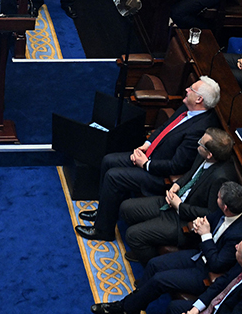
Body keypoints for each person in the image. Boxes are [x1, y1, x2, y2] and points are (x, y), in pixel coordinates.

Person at [76, 76, 221, 241]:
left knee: (114, 177)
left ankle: (103, 231)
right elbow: (164, 128)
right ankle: (105, 210)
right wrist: (148, 143)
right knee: (109, 160)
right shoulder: (187, 107)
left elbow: (177, 165)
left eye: (191, 89)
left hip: (160, 174)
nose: (187, 90)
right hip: (151, 155)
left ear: (199, 99)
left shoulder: (200, 128)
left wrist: (146, 164)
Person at [92, 182, 242, 314]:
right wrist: (199, 223)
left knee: (159, 280)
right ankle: (133, 305)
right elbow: (209, 219)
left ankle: (124, 307)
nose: (216, 200)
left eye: (218, 199)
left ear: (226, 208)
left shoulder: (237, 234)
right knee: (153, 264)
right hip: (199, 255)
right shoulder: (225, 211)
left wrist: (206, 235)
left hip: (205, 273)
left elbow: (217, 264)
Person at [119, 127, 236, 265]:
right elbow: (192, 173)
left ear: (210, 154)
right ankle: (146, 248)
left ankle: (153, 267)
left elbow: (211, 213)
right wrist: (178, 185)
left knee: (133, 235)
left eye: (201, 143)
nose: (198, 143)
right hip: (173, 201)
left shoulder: (220, 178)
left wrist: (179, 206)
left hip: (184, 220)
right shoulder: (203, 155)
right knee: (126, 208)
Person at [168, 240, 242, 314]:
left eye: (239, 250)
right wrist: (196, 308)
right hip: (211, 306)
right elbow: (220, 284)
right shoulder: (239, 267)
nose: (236, 246)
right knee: (174, 307)